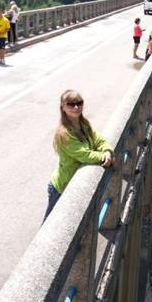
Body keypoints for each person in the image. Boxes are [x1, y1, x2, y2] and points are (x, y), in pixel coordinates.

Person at [43, 90, 114, 222]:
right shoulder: (64, 134)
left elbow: (99, 140)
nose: (76, 107)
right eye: (71, 104)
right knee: (50, 226)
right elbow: (84, 155)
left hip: (72, 184)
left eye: (79, 103)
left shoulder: (83, 124)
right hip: (61, 188)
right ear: (63, 108)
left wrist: (107, 151)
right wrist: (103, 157)